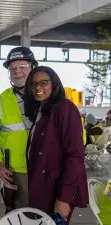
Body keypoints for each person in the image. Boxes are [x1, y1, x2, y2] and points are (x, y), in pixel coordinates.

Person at [24, 66, 89, 222]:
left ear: (54, 84)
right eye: (34, 84)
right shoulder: (42, 109)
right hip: (43, 185)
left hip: (57, 189)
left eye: (43, 82)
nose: (38, 87)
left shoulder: (65, 109)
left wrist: (64, 198)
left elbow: (75, 156)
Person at [0, 46, 37, 212]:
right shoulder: (1, 101)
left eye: (22, 67)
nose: (17, 71)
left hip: (47, 168)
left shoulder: (47, 94)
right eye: (12, 68)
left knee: (47, 215)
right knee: (19, 215)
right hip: (16, 171)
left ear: (33, 68)